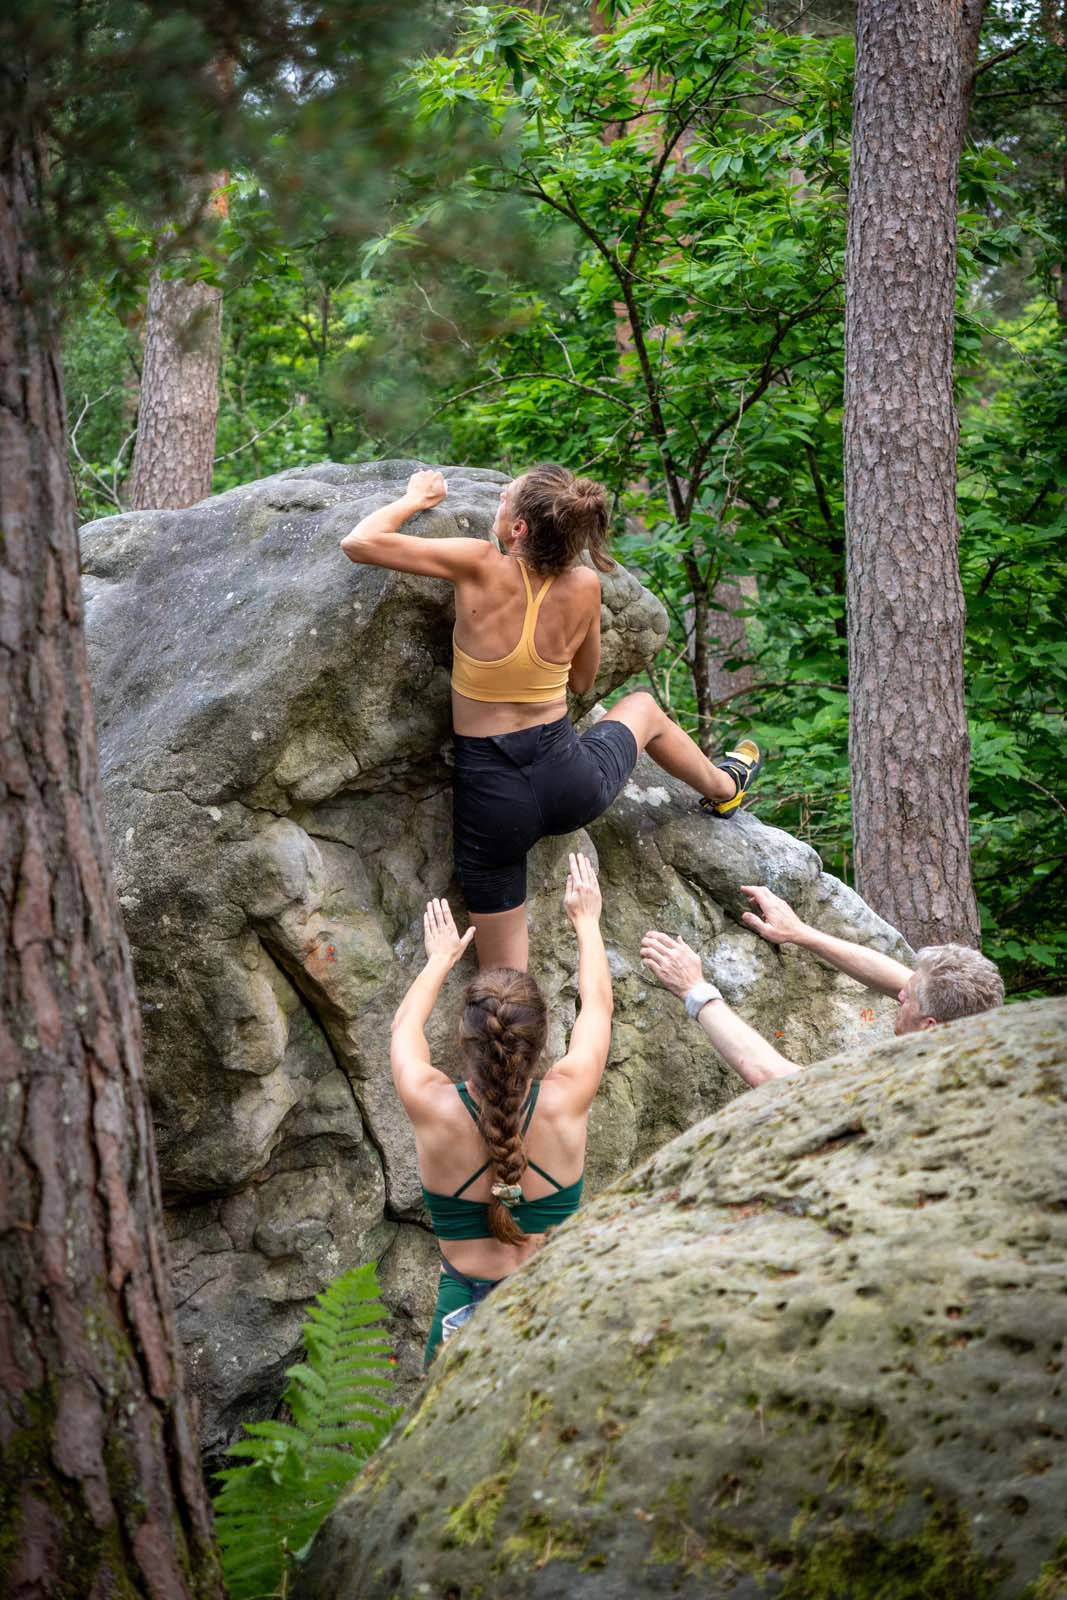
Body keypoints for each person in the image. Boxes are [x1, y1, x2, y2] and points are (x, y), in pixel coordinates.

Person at [340, 465, 761, 970]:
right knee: (644, 708)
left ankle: (513, 1045)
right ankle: (723, 787)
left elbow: (360, 541)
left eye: (506, 497)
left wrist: (415, 497)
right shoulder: (584, 586)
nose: (500, 497)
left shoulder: (478, 562)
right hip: (572, 784)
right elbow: (584, 682)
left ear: (518, 529)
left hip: (493, 805)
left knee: (504, 981)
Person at [390, 852, 612, 1366]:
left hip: (460, 1317)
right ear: (540, 1040)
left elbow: (403, 1029)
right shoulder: (566, 1099)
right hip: (553, 1310)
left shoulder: (432, 1106)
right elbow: (598, 1006)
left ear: (465, 1038)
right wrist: (587, 924)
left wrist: (439, 959)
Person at [640, 884, 1005, 1085]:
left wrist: (695, 990)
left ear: (930, 1027)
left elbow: (774, 1077)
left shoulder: (908, 1084)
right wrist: (801, 934)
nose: (899, 993)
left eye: (907, 999)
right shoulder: (975, 1030)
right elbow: (897, 978)